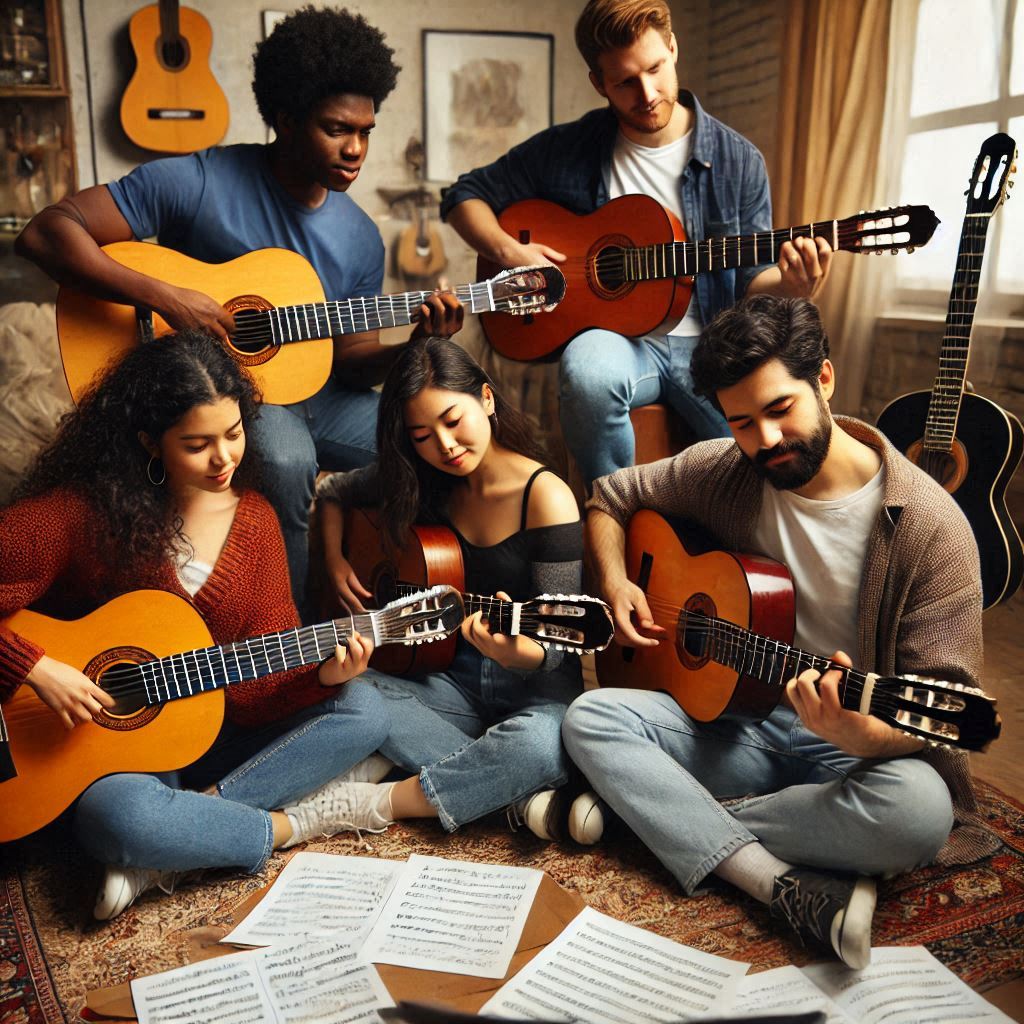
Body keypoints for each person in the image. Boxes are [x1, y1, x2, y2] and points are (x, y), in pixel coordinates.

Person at [561, 295, 984, 969]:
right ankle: (772, 879)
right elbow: (610, 497)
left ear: (824, 380)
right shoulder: (726, 470)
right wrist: (617, 584)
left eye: (780, 409)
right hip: (740, 725)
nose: (764, 441)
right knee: (591, 718)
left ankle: (647, 815)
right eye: (742, 422)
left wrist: (864, 733)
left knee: (920, 813)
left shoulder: (932, 528)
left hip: (855, 752)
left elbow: (947, 707)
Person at [15, 5, 463, 614]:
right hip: (217, 394)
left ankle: (431, 613)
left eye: (366, 131)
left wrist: (412, 347)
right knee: (283, 457)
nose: (355, 149)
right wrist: (164, 295)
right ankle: (291, 636)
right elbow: (46, 232)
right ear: (285, 118)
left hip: (317, 394)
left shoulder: (359, 236)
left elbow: (352, 359)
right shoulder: (199, 180)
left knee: (438, 438)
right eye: (336, 129)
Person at [0, 331, 396, 921]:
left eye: (234, 434)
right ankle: (291, 823)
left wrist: (323, 674)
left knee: (366, 709)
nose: (224, 459)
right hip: (112, 754)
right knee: (120, 816)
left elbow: (256, 693)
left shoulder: (257, 522)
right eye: (197, 444)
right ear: (149, 443)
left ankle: (189, 832)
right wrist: (35, 666)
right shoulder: (85, 512)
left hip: (215, 742)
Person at [440, 0, 832, 487]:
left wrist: (793, 286)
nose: (646, 94)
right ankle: (613, 507)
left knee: (764, 471)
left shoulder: (739, 161)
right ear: (598, 83)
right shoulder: (569, 148)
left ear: (673, 48)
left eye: (655, 68)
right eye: (625, 82)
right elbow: (464, 195)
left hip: (710, 343)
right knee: (586, 370)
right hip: (618, 342)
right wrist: (509, 252)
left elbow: (755, 283)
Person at [313, 336, 584, 841]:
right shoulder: (423, 479)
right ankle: (514, 798)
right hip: (450, 682)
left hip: (535, 694)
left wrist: (519, 653)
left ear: (485, 399)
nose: (445, 446)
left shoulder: (545, 496)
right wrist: (334, 559)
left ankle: (383, 800)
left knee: (542, 745)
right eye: (422, 435)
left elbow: (561, 646)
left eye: (453, 421)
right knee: (349, 683)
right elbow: (333, 490)